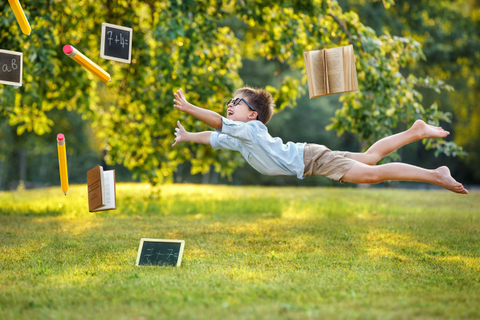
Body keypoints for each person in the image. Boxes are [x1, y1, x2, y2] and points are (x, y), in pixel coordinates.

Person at [172, 87, 468, 194]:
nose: (229, 104)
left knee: (372, 175)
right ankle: (414, 131)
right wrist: (187, 136)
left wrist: (190, 108)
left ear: (252, 115)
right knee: (369, 158)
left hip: (311, 159)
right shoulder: (241, 137)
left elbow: (216, 122)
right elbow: (213, 136)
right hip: (310, 156)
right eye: (230, 100)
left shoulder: (249, 131)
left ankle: (435, 175)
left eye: (236, 102)